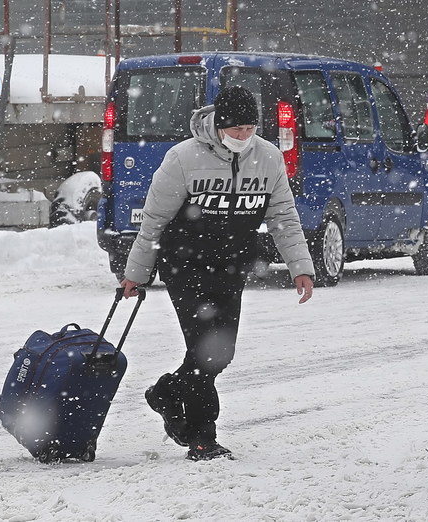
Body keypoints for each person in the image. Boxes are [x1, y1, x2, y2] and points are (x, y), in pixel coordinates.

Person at [119, 85, 315, 461]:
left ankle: (166, 393)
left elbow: (284, 218)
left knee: (220, 354)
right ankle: (202, 437)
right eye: (236, 130)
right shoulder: (182, 159)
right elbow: (154, 221)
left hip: (231, 266)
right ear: (218, 125)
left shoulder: (269, 158)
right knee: (204, 351)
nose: (244, 137)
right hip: (185, 265)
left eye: (250, 129)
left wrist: (300, 268)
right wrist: (136, 274)